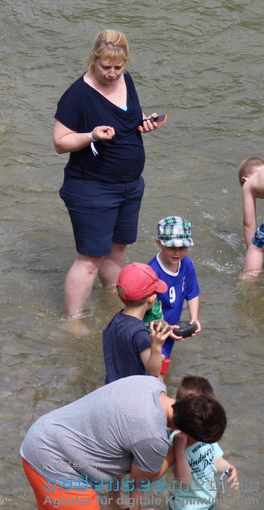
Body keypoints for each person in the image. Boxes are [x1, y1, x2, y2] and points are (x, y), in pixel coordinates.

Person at [53, 30, 165, 320]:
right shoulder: (77, 94)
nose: (113, 74)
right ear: (94, 60)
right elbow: (60, 142)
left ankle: (111, 307)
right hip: (91, 187)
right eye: (106, 67)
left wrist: (143, 124)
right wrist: (91, 135)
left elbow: (128, 120)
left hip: (129, 186)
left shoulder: (126, 81)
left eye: (119, 67)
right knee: (89, 259)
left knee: (117, 251)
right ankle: (73, 323)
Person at [20, 375, 227, 510]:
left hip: (42, 435)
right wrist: (180, 447)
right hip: (55, 463)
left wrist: (114, 501)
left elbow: (117, 441)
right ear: (187, 434)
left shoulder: (153, 384)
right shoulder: (153, 438)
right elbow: (141, 479)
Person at [167, 375, 239, 510]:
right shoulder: (176, 440)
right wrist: (179, 450)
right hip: (185, 506)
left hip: (208, 502)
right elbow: (183, 480)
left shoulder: (205, 435)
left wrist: (228, 468)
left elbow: (216, 461)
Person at [148, 216, 202, 376]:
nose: (177, 252)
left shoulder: (186, 264)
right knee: (155, 372)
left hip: (171, 329)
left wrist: (194, 318)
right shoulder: (152, 272)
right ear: (159, 243)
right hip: (155, 332)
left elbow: (192, 292)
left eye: (183, 247)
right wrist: (163, 329)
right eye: (172, 247)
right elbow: (146, 312)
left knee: (164, 365)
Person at [102, 263, 173, 383]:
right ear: (152, 298)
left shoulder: (116, 319)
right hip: (131, 391)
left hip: (111, 385)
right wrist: (156, 347)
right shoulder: (140, 333)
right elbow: (153, 371)